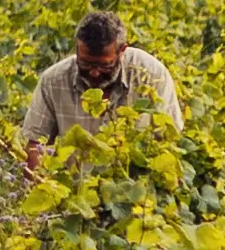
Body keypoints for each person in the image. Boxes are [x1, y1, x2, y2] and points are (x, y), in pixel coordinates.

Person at [22, 9, 181, 157]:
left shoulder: (151, 75)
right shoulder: (53, 81)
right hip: (73, 182)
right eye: (85, 63)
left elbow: (169, 139)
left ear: (122, 50)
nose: (94, 72)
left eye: (104, 65)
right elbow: (35, 143)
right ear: (77, 48)